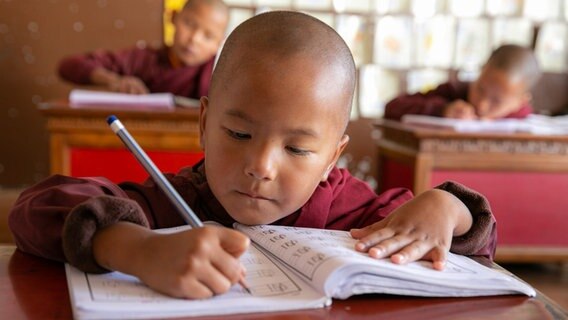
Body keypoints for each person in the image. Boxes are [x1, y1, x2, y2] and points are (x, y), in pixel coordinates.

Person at [9, 11, 496, 300]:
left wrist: (449, 208)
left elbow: (469, 251)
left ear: (332, 156)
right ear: (204, 124)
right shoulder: (171, 199)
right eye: (239, 133)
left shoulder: (361, 216)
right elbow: (35, 208)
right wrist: (133, 249)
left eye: (298, 148)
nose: (260, 166)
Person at [57, 0, 229, 99]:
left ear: (219, 43)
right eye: (190, 24)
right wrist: (114, 81)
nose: (194, 39)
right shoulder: (144, 59)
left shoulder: (222, 74)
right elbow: (69, 66)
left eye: (208, 36)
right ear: (173, 18)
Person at [385, 44, 541, 120]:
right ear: (480, 72)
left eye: (497, 101)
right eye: (480, 89)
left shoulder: (525, 122)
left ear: (521, 101)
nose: (482, 105)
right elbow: (392, 106)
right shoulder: (454, 91)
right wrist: (442, 110)